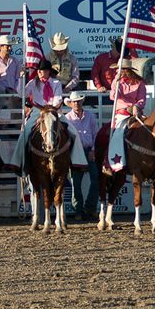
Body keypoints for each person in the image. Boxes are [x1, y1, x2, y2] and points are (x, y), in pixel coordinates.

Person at [7, 59, 88, 174]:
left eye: (43, 71)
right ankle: (18, 162)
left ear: (48, 72)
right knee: (25, 133)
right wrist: (21, 78)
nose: (40, 73)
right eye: (39, 71)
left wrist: (51, 109)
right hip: (37, 112)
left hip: (53, 111)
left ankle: (77, 161)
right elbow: (21, 94)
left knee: (73, 131)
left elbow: (58, 98)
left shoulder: (55, 83)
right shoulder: (33, 83)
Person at [63, 92, 99, 221]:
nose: (76, 103)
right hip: (76, 151)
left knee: (96, 179)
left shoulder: (90, 116)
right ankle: (79, 209)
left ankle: (89, 207)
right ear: (71, 103)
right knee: (75, 182)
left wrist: (93, 150)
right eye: (74, 101)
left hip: (89, 149)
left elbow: (95, 134)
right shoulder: (67, 118)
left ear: (82, 102)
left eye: (78, 101)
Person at [106, 59, 147, 173]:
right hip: (122, 113)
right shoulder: (117, 82)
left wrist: (136, 106)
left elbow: (142, 99)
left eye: (121, 69)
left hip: (136, 113)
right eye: (118, 69)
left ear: (128, 70)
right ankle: (113, 162)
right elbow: (113, 96)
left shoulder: (139, 82)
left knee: (151, 129)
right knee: (118, 133)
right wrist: (116, 83)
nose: (119, 71)